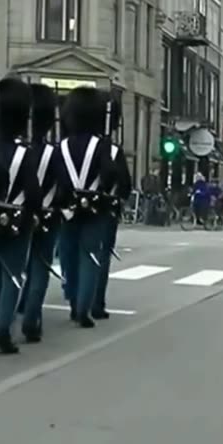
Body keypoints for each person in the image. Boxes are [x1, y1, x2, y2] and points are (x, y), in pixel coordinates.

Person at [0, 77, 39, 353]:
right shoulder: (23, 153)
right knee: (13, 276)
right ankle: (3, 329)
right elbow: (34, 193)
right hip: (18, 219)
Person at [56, 87, 115, 328]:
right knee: (90, 256)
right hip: (94, 208)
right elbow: (109, 174)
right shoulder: (100, 145)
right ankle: (83, 308)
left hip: (67, 208)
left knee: (68, 256)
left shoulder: (62, 146)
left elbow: (55, 175)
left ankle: (72, 298)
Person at [21, 84, 71, 343]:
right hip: (48, 215)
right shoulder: (54, 153)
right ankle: (31, 318)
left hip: (17, 214)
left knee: (11, 267)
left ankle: (5, 318)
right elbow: (65, 186)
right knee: (39, 267)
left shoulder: (15, 149)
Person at [93, 92, 131, 320]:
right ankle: (96, 301)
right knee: (101, 255)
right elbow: (125, 185)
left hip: (76, 211)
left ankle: (76, 297)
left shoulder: (67, 146)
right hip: (106, 209)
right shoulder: (113, 151)